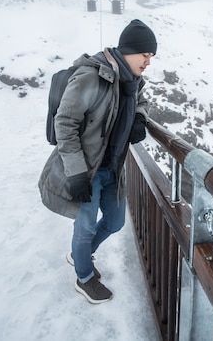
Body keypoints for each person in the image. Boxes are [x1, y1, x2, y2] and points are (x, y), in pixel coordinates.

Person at [38, 19, 157, 304]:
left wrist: (139, 117)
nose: (148, 62)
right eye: (145, 55)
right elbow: (64, 123)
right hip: (85, 170)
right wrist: (77, 174)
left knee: (115, 222)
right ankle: (84, 278)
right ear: (128, 51)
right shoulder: (92, 76)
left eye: (152, 56)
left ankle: (80, 255)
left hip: (112, 168)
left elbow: (141, 99)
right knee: (86, 227)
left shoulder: (132, 81)